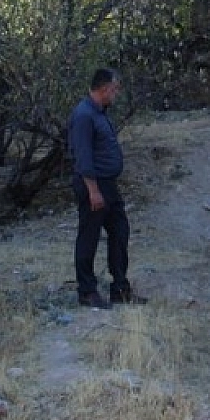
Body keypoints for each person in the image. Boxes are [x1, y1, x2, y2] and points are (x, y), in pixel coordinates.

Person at [67, 68, 145, 308]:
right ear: (103, 89)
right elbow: (83, 156)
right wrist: (93, 190)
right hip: (94, 185)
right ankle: (87, 291)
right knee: (89, 237)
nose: (116, 94)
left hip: (108, 185)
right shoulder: (83, 115)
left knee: (120, 232)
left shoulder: (100, 113)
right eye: (114, 89)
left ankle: (120, 287)